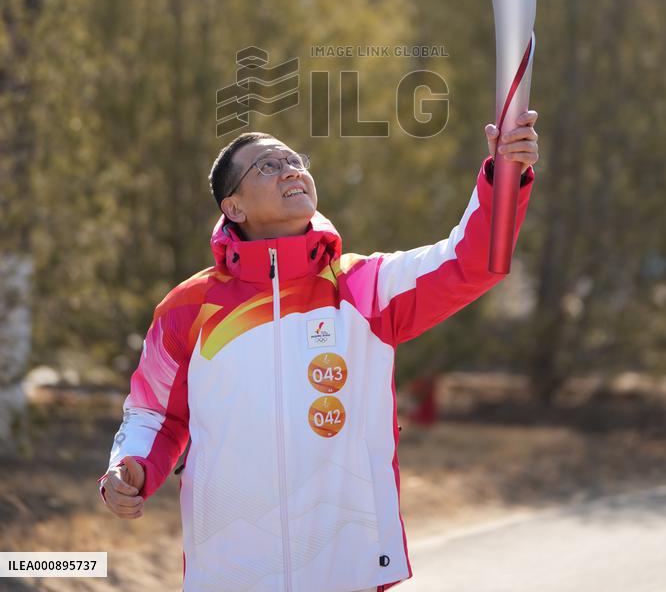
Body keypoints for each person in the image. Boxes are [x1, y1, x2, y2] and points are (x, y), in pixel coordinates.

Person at [99, 112, 539, 592]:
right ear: (234, 207)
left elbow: (471, 262)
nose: (291, 170)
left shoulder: (363, 288)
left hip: (345, 567)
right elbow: (155, 414)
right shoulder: (189, 307)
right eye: (268, 166)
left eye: (295, 161)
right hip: (229, 572)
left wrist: (504, 174)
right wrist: (131, 467)